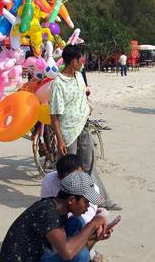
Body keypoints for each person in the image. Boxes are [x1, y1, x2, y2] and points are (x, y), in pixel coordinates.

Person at [50, 45, 121, 211]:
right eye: (80, 60)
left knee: (88, 165)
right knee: (69, 172)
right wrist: (59, 139)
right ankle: (65, 205)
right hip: (68, 133)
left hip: (83, 127)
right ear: (72, 61)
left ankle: (101, 200)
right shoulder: (58, 83)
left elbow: (81, 96)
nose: (82, 63)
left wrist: (87, 105)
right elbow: (54, 115)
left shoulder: (79, 77)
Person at [41, 154, 108, 262]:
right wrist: (92, 225)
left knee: (88, 219)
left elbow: (86, 219)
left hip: (70, 215)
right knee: (78, 256)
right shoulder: (49, 184)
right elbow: (67, 254)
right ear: (60, 178)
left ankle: (83, 249)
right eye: (72, 177)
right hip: (59, 219)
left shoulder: (90, 187)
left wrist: (94, 232)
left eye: (80, 175)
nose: (78, 180)